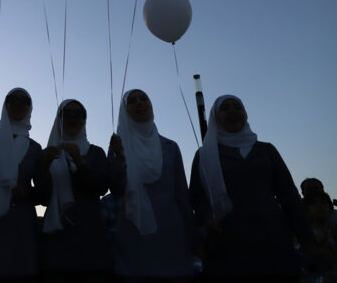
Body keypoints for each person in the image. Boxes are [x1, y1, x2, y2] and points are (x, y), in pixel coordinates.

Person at [189, 94, 314, 283]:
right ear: (216, 117)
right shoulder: (205, 154)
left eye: (237, 107)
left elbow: (289, 195)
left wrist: (306, 239)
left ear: (245, 114)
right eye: (225, 108)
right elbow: (197, 196)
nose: (232, 111)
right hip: (228, 241)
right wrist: (207, 218)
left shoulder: (266, 150)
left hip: (273, 239)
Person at [110, 89, 195, 283]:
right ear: (125, 111)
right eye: (132, 101)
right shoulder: (118, 145)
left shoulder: (170, 147)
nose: (140, 103)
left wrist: (194, 240)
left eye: (144, 98)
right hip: (134, 238)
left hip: (172, 237)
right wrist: (120, 160)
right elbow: (116, 189)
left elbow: (182, 195)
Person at [0, 88, 48, 283]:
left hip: (20, 223)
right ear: (5, 104)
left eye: (24, 100)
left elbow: (43, 193)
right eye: (13, 99)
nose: (18, 103)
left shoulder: (34, 148)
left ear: (30, 108)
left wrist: (27, 191)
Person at [40, 99, 113, 283]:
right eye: (67, 113)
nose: (73, 117)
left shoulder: (95, 152)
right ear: (59, 119)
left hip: (90, 240)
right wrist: (44, 165)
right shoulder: (48, 153)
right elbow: (42, 195)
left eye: (78, 114)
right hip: (57, 241)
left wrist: (79, 163)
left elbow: (101, 187)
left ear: (84, 120)